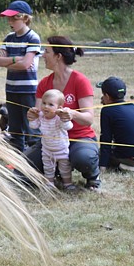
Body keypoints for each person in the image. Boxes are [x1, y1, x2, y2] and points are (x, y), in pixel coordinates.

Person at [26, 36, 101, 191]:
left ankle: (93, 177)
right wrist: (33, 115)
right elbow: (39, 115)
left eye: (46, 51)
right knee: (24, 169)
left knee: (83, 159)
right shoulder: (44, 83)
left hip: (79, 137)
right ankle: (59, 170)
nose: (43, 55)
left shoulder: (80, 80)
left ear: (58, 56)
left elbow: (88, 119)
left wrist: (72, 114)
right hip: (52, 141)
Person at [0, 0, 41, 151]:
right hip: (11, 88)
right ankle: (17, 159)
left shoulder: (33, 38)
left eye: (14, 18)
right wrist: (15, 59)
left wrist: (8, 63)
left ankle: (34, 160)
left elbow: (25, 65)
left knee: (31, 127)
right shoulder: (8, 38)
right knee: (14, 128)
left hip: (28, 90)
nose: (10, 21)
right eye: (9, 18)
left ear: (25, 18)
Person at [97, 76, 134, 173]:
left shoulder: (107, 111)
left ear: (107, 96)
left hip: (129, 158)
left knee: (94, 153)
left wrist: (102, 166)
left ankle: (126, 166)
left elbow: (106, 140)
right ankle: (132, 165)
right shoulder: (132, 106)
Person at [29, 89, 75, 191]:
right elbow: (33, 126)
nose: (46, 106)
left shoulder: (59, 118)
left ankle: (68, 183)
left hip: (61, 150)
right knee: (48, 168)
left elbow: (68, 127)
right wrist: (32, 119)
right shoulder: (41, 116)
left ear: (59, 108)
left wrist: (64, 118)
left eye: (50, 104)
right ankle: (49, 183)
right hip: (47, 150)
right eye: (44, 103)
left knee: (65, 168)